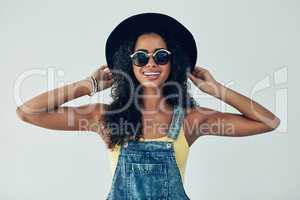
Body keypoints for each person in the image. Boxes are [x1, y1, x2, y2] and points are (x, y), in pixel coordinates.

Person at [16, 12, 281, 200]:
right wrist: (88, 85)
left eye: (161, 56)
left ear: (173, 63)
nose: (151, 64)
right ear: (128, 64)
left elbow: (269, 122)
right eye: (141, 57)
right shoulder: (105, 118)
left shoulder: (191, 120)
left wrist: (216, 89)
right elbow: (27, 112)